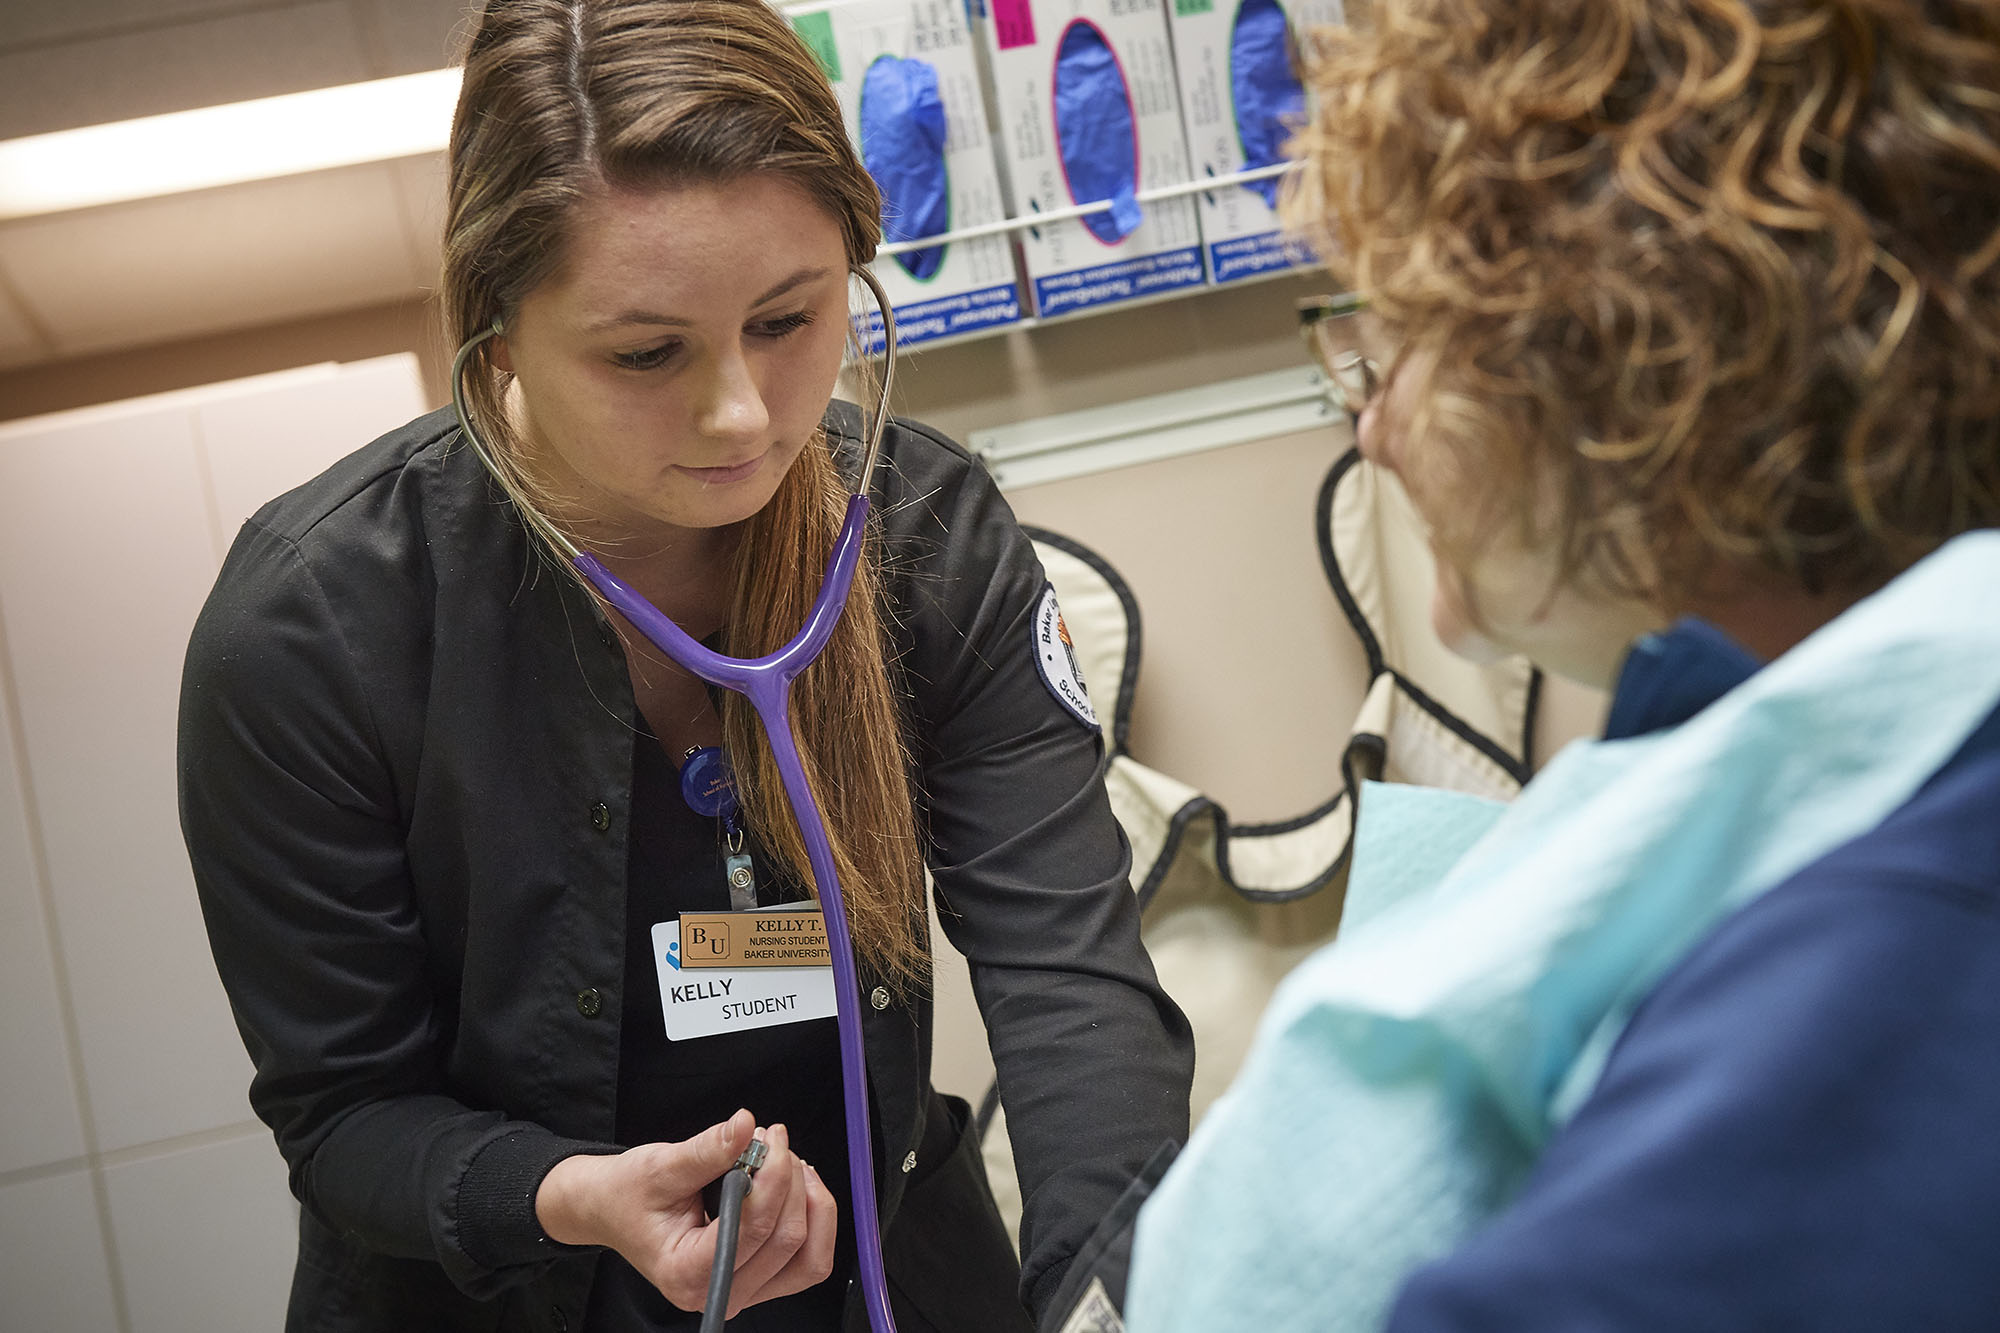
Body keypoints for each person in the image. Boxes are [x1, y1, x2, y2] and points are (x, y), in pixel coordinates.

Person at [176, 2, 1193, 1330]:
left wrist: (1110, 1295)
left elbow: (1071, 982)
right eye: (648, 352)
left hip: (887, 1277)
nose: (741, 412)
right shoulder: (313, 628)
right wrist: (566, 1193)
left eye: (789, 317)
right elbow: (346, 1111)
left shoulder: (930, 540)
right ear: (496, 339)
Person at [1126, 0, 2000, 1329]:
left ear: (1621, 346)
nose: (1373, 431)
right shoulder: (1834, 753)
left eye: (1398, 337)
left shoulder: (1894, 951)